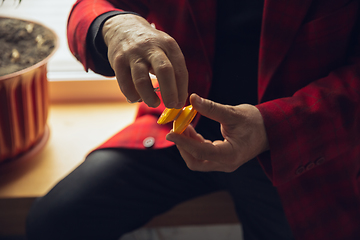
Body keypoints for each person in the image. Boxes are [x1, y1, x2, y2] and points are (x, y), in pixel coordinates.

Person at [26, 0, 360, 239]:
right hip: (175, 130)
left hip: (295, 149)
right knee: (54, 222)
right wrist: (112, 24)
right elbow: (90, 7)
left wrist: (271, 128)